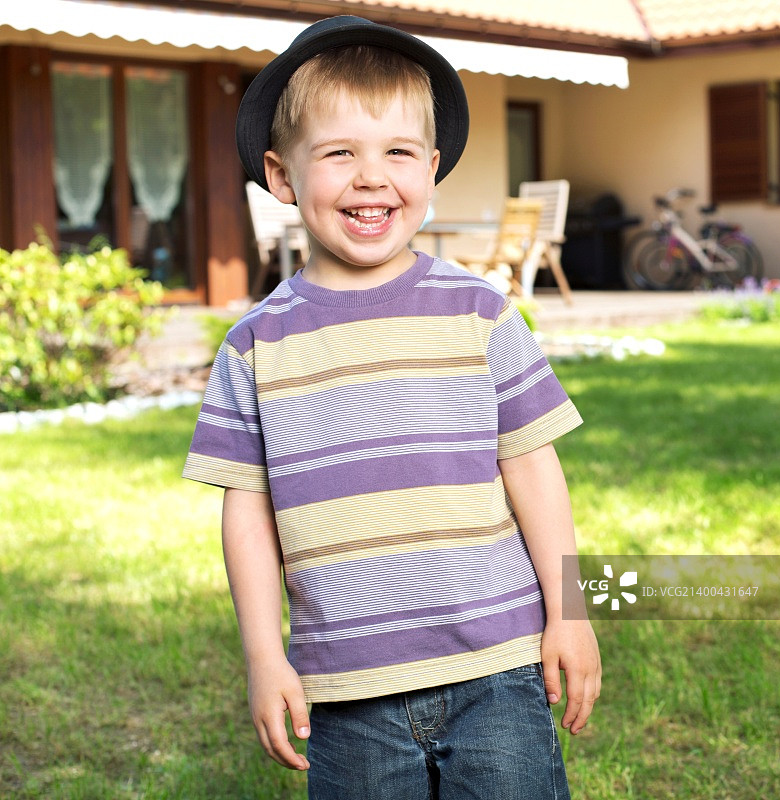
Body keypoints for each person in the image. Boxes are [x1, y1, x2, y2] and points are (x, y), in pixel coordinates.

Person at [184, 15, 600, 799]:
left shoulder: (480, 313)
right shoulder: (254, 346)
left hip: (497, 665)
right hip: (346, 688)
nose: (370, 177)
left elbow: (533, 469)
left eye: (398, 153)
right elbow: (246, 513)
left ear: (431, 169)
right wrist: (264, 657)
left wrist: (569, 613)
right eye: (338, 153)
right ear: (281, 174)